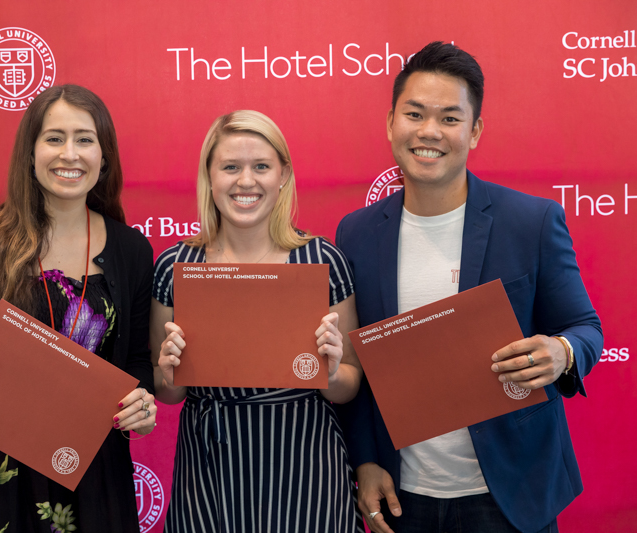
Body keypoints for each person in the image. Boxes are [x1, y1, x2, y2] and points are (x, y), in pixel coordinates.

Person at [333, 42, 603, 533]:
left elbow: (584, 327)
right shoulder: (356, 231)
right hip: (403, 496)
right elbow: (358, 362)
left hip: (509, 494)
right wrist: (365, 460)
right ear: (391, 122)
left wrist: (561, 352)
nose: (429, 132)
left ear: (474, 131)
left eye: (450, 118)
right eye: (414, 114)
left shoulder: (532, 221)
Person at [0, 85, 157, 533]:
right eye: (54, 138)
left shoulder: (131, 250)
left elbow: (137, 361)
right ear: (30, 152)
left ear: (104, 156)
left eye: (84, 139)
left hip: (92, 473)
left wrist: (140, 401)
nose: (70, 153)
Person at [151, 110, 364, 533]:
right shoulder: (176, 265)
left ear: (283, 175)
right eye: (230, 167)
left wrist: (334, 370)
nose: (245, 181)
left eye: (261, 167)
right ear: (209, 178)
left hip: (307, 467)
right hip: (209, 470)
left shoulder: (321, 260)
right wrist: (170, 368)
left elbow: (349, 386)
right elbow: (167, 392)